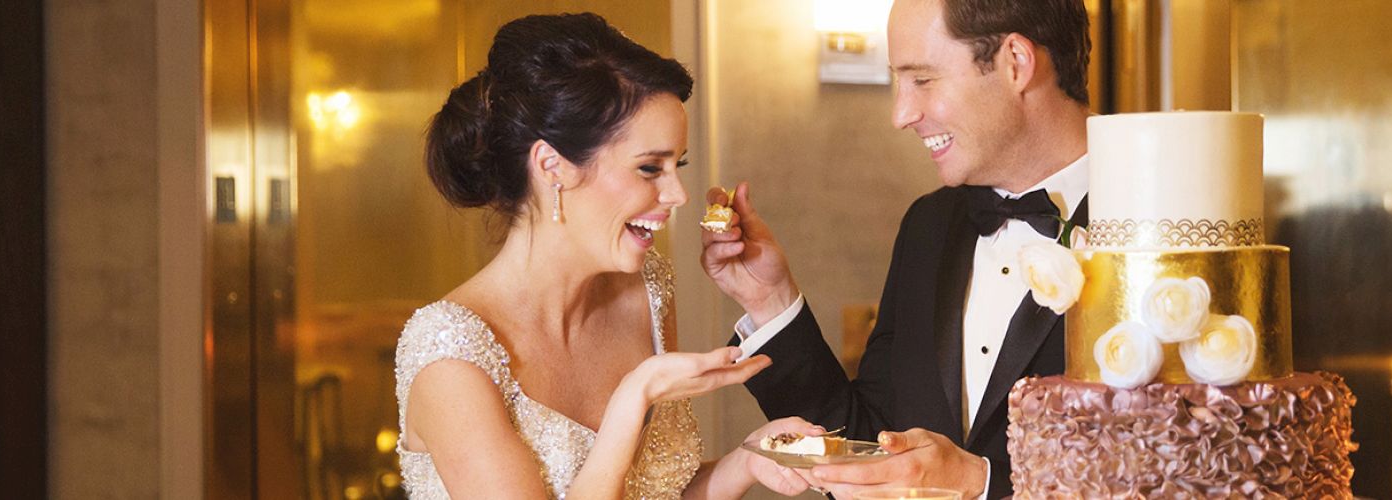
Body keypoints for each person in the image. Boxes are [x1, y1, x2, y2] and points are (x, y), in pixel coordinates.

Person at [394, 13, 820, 499]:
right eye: (648, 168)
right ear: (552, 166)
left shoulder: (647, 289)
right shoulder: (451, 353)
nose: (678, 193)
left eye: (675, 165)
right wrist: (633, 399)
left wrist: (749, 458)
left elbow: (653, 492)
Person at [700, 0, 1094, 497]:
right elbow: (871, 444)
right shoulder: (928, 227)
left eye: (923, 80)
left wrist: (984, 485)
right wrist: (769, 302)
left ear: (1015, 61)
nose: (901, 114)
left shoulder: (1170, 226)